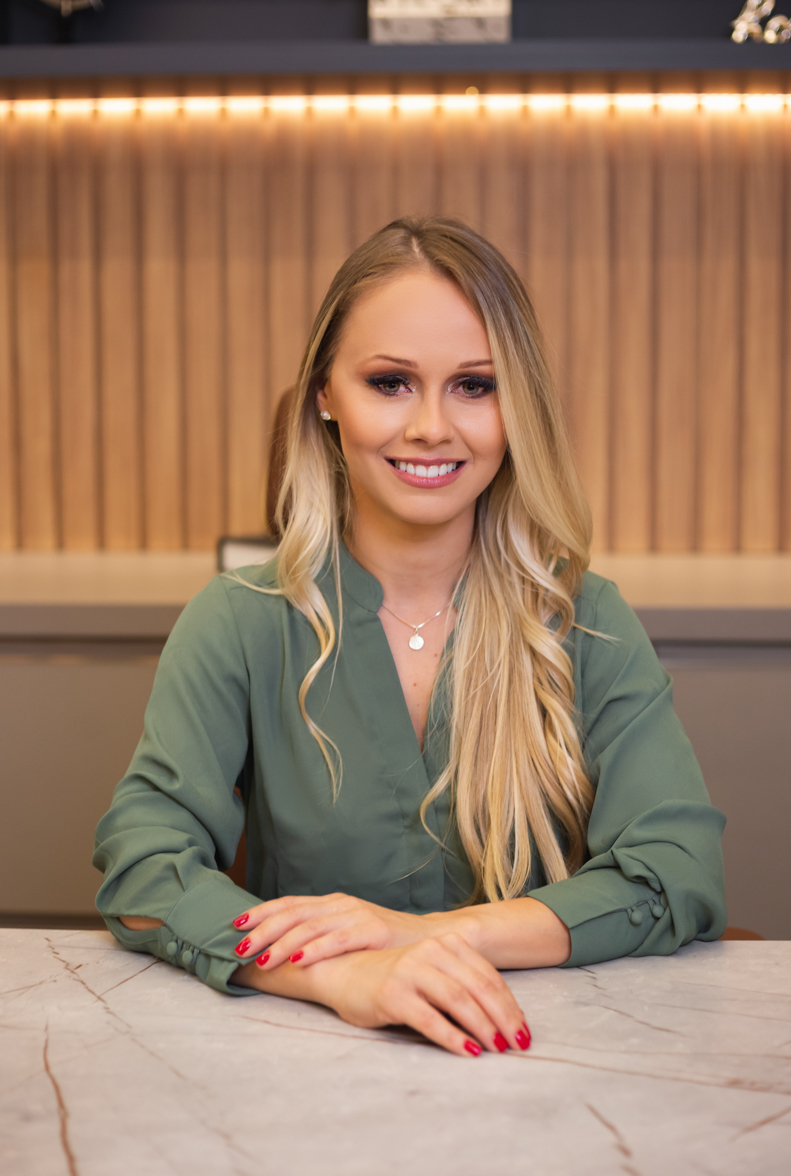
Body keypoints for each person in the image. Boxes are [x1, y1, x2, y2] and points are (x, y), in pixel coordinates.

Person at [93, 217, 726, 1058]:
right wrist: (338, 977)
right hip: (301, 1063)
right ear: (325, 395)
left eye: (474, 385)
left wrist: (428, 937)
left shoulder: (584, 617)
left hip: (542, 1055)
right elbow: (141, 867)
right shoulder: (240, 619)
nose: (431, 427)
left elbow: (677, 867)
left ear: (518, 406)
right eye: (390, 383)